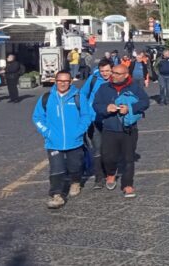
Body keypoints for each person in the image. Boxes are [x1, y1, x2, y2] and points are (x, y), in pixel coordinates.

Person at [32, 70, 91, 209]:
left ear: (70, 82)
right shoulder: (46, 98)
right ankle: (56, 195)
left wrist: (79, 131)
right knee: (56, 170)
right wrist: (47, 132)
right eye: (60, 81)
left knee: (75, 167)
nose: (63, 83)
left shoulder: (78, 96)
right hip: (54, 142)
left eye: (66, 81)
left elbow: (86, 116)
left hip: (75, 141)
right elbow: (37, 117)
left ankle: (75, 182)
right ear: (55, 81)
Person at [92, 64, 150, 198]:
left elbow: (145, 102)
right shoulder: (104, 88)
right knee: (108, 157)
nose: (114, 75)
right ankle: (111, 173)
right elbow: (96, 105)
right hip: (109, 128)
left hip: (129, 129)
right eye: (113, 73)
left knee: (129, 158)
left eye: (118, 74)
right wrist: (106, 108)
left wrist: (130, 108)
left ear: (126, 75)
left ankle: (127, 184)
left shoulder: (134, 87)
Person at [81, 59, 113, 189]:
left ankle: (109, 173)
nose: (105, 74)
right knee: (97, 149)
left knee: (110, 149)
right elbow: (83, 94)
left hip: (111, 120)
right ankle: (99, 178)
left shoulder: (116, 79)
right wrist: (86, 112)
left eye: (107, 71)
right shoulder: (93, 79)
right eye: (102, 71)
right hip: (93, 120)